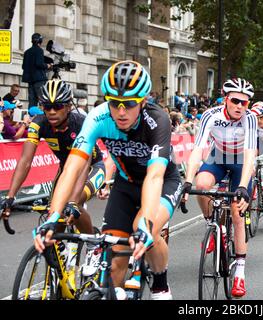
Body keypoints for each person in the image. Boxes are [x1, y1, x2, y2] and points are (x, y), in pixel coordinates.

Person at [32, 61, 182, 300]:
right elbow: (71, 168)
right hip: (125, 184)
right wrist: (52, 217)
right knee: (114, 264)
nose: (121, 112)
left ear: (143, 101)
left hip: (163, 182)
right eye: (114, 103)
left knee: (142, 230)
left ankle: (160, 285)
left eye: (129, 104)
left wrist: (145, 225)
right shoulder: (98, 117)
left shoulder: (157, 120)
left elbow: (154, 176)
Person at [2, 80, 106, 274]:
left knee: (73, 203)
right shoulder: (38, 123)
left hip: (91, 167)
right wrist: (10, 196)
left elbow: (82, 165)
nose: (51, 112)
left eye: (57, 106)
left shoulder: (81, 123)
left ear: (68, 106)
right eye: (47, 106)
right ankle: (61, 265)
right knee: (54, 214)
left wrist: (73, 201)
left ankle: (93, 245)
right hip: (65, 168)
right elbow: (25, 161)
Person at [182, 78, 257, 298]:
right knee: (202, 184)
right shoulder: (210, 115)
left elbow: (251, 153)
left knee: (237, 211)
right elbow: (198, 149)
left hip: (240, 163)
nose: (240, 106)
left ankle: (240, 273)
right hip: (218, 157)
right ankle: (213, 225)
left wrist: (243, 186)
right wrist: (187, 181)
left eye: (245, 103)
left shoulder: (250, 119)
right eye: (235, 101)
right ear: (226, 99)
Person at [22, 33, 52, 107]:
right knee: (43, 100)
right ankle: (43, 117)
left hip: (30, 81)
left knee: (32, 102)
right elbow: (39, 64)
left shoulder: (27, 52)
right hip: (39, 80)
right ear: (40, 41)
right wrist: (48, 65)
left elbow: (23, 66)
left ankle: (31, 117)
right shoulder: (39, 51)